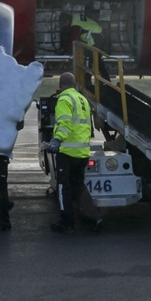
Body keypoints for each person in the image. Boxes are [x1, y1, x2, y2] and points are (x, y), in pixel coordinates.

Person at [47, 72, 101, 234]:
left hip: (67, 151)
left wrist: (57, 139)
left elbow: (64, 123)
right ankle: (94, 217)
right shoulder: (82, 99)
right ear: (75, 84)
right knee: (78, 185)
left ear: (60, 85)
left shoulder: (64, 99)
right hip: (82, 151)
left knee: (64, 186)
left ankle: (66, 221)